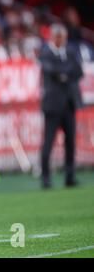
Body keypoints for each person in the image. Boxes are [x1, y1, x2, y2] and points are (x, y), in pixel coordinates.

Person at [39, 23, 84, 189]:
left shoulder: (71, 52)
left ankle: (70, 176)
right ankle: (45, 178)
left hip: (69, 103)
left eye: (64, 37)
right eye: (59, 37)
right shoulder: (46, 53)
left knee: (70, 142)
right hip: (52, 105)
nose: (62, 40)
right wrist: (66, 72)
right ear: (53, 37)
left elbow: (79, 72)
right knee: (48, 142)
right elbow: (52, 71)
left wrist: (64, 73)